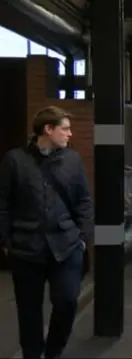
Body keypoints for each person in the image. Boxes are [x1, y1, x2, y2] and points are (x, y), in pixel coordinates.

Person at [0, 106, 94, 359]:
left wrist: (82, 238)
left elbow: (84, 200)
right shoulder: (15, 160)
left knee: (67, 301)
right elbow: (3, 203)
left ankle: (53, 351)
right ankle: (32, 354)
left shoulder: (72, 160)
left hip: (66, 246)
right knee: (28, 310)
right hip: (26, 247)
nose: (70, 134)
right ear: (48, 130)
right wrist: (6, 241)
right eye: (64, 129)